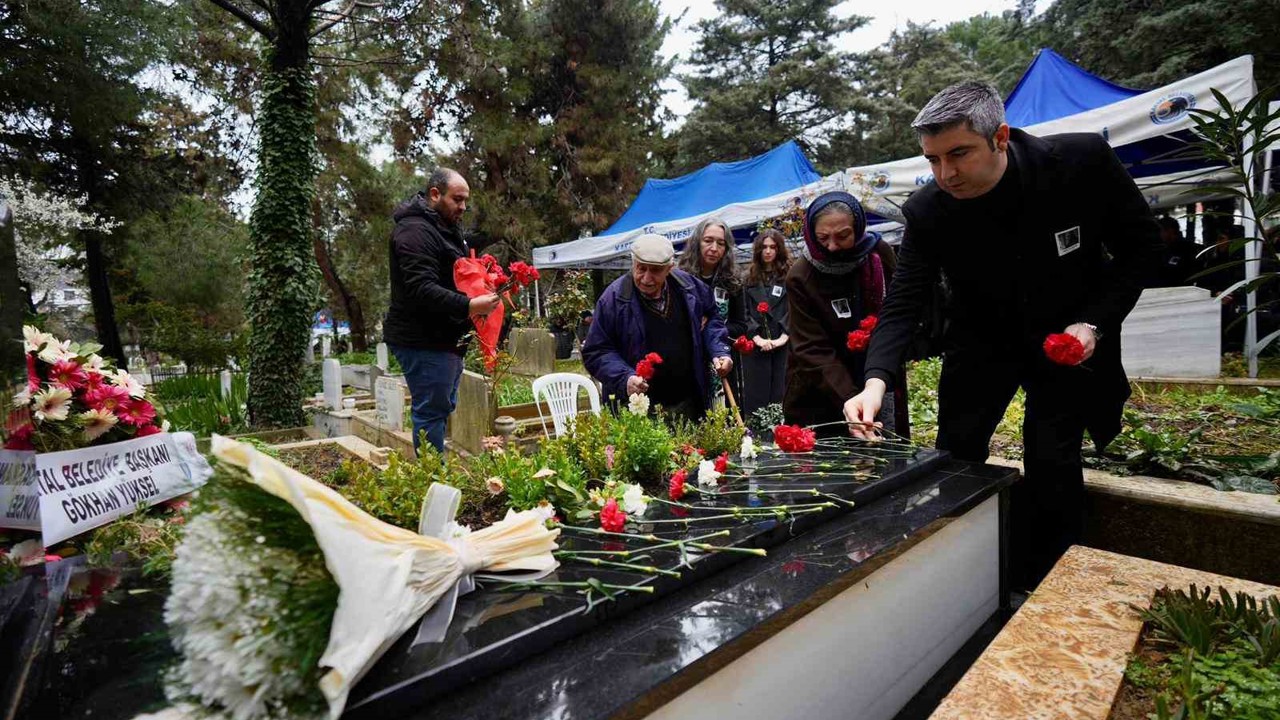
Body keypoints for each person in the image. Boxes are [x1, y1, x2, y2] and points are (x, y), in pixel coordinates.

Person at [843, 81, 1162, 590]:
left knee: (1052, 457)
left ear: (1000, 137)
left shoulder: (1080, 163)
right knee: (956, 452)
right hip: (981, 343)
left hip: (1065, 342)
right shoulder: (928, 209)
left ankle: (1052, 582)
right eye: (932, 160)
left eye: (958, 154)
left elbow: (1142, 250)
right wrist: (875, 382)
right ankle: (961, 576)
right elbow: (903, 301)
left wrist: (1093, 322)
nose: (945, 174)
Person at [384, 168, 500, 455]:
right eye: (457, 199)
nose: (463, 207)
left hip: (443, 339)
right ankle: (433, 475)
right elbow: (421, 288)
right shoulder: (414, 231)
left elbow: (452, 273)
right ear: (435, 194)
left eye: (465, 200)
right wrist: (470, 305)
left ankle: (435, 470)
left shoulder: (443, 228)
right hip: (424, 340)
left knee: (439, 408)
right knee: (431, 413)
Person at [582, 234, 732, 423]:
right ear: (633, 263)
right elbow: (596, 351)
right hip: (637, 408)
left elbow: (712, 320)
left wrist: (719, 351)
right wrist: (625, 378)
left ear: (670, 268)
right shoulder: (613, 299)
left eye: (655, 270)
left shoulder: (690, 288)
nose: (646, 278)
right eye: (641, 268)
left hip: (688, 402)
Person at [783, 192, 895, 435]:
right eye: (823, 238)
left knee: (888, 449)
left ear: (858, 227)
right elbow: (811, 347)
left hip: (877, 372)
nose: (832, 246)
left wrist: (876, 384)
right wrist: (853, 400)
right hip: (823, 385)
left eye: (843, 236)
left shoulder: (878, 254)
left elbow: (897, 313)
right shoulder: (800, 276)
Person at [678, 217, 747, 401]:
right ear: (697, 242)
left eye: (720, 243)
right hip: (689, 361)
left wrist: (712, 328)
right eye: (708, 241)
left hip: (723, 361)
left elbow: (741, 325)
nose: (714, 248)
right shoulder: (680, 278)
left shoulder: (733, 281)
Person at [739, 229, 792, 416]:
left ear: (779, 250)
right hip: (756, 347)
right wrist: (757, 338)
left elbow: (794, 308)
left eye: (772, 247)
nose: (768, 251)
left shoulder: (789, 277)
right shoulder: (747, 279)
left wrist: (784, 336)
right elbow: (743, 312)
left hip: (783, 345)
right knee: (756, 399)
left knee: (781, 394)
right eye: (764, 247)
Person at [1154, 216, 1200, 287]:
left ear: (1170, 230)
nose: (1160, 234)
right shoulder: (1165, 248)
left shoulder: (1186, 248)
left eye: (1161, 231)